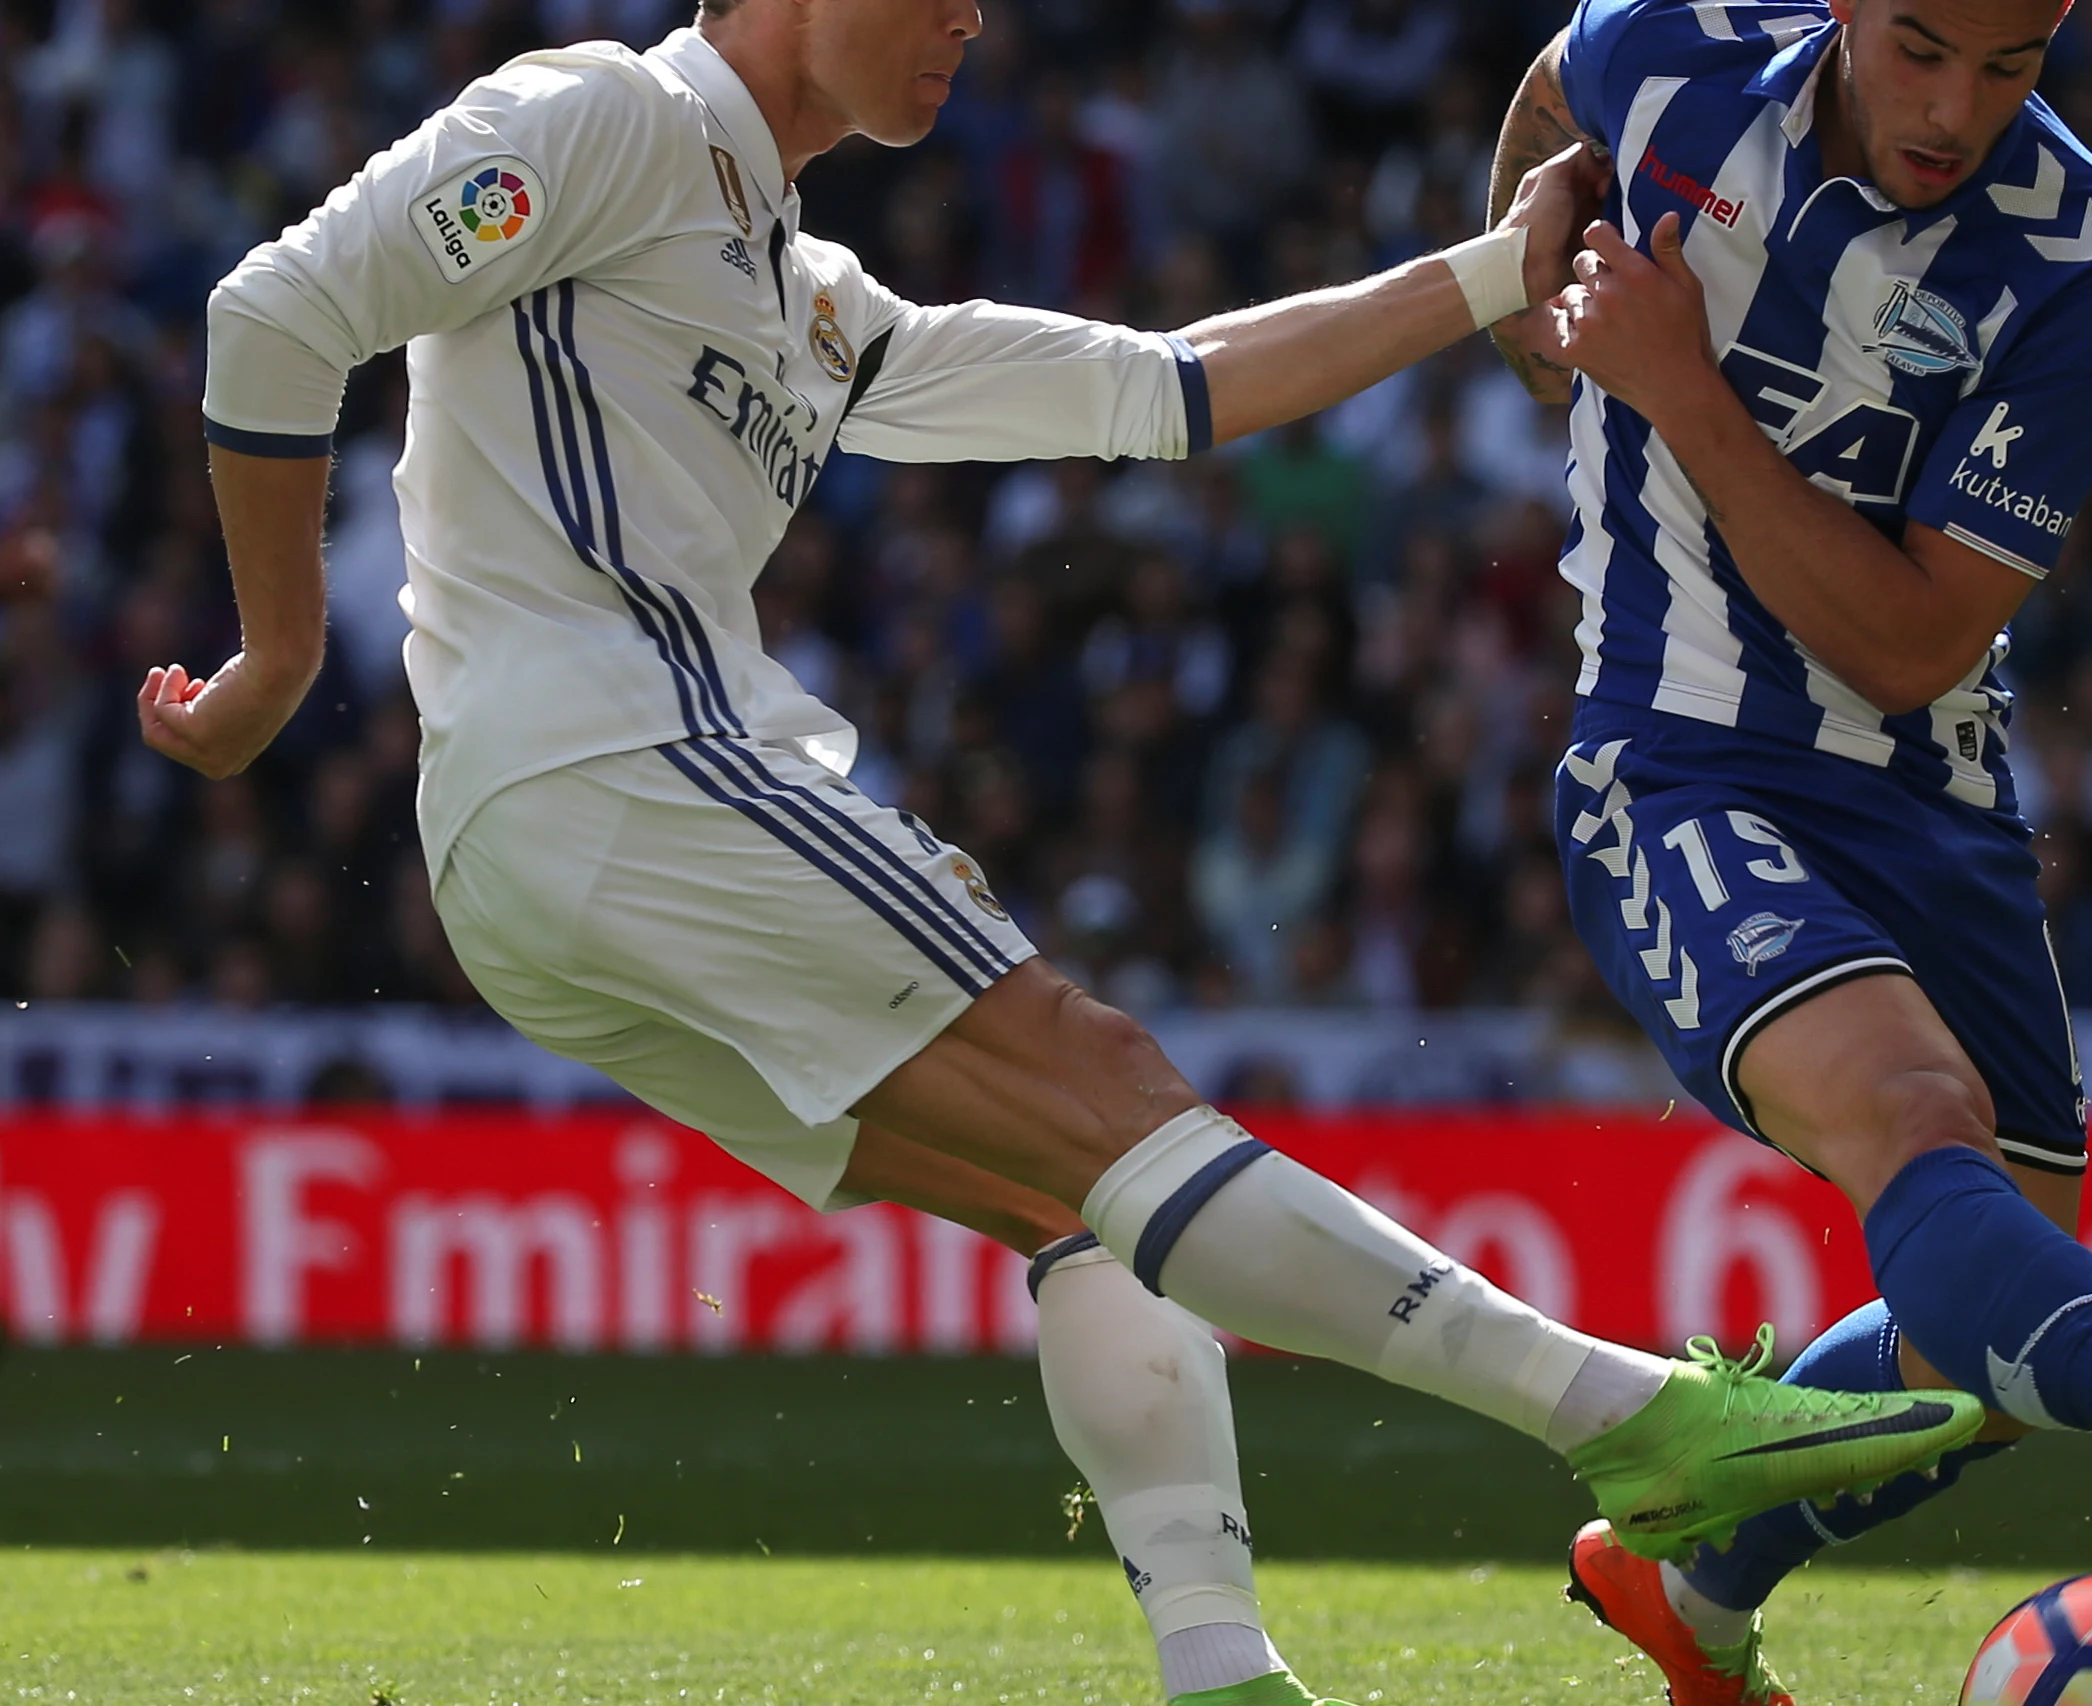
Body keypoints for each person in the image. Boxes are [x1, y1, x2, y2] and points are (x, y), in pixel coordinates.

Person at [139, 6, 1993, 1706]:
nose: (971, 22)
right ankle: (1635, 1418)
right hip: (621, 759)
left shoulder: (808, 297)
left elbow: (1164, 386)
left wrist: (1496, 272)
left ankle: (1223, 1667)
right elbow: (277, 311)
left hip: (540, 861)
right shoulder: (607, 115)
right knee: (1107, 1081)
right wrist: (284, 653)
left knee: (1073, 1202)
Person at [1482, 3, 2092, 1701]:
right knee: (1923, 1133)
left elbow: (1910, 643)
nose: (1955, 108)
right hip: (1682, 753)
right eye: (1922, 47)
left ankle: (1683, 1593)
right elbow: (1558, 81)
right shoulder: (1684, 47)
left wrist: (1675, 386)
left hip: (1935, 795)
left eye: (2010, 67)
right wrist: (1528, 280)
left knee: (1989, 1328)